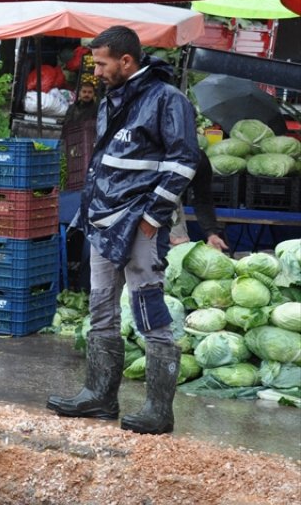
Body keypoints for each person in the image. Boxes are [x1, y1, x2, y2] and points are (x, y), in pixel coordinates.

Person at [47, 25, 200, 436]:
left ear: (126, 61)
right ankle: (99, 396)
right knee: (100, 309)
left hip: (139, 225)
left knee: (150, 311)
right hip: (101, 222)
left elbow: (185, 160)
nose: (95, 71)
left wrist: (153, 217)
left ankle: (158, 410)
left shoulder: (168, 99)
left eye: (101, 63)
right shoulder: (111, 99)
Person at [170, 153, 230, 252]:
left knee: (176, 252)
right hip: (141, 199)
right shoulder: (156, 154)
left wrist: (211, 233)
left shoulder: (199, 159)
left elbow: (203, 198)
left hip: (173, 201)